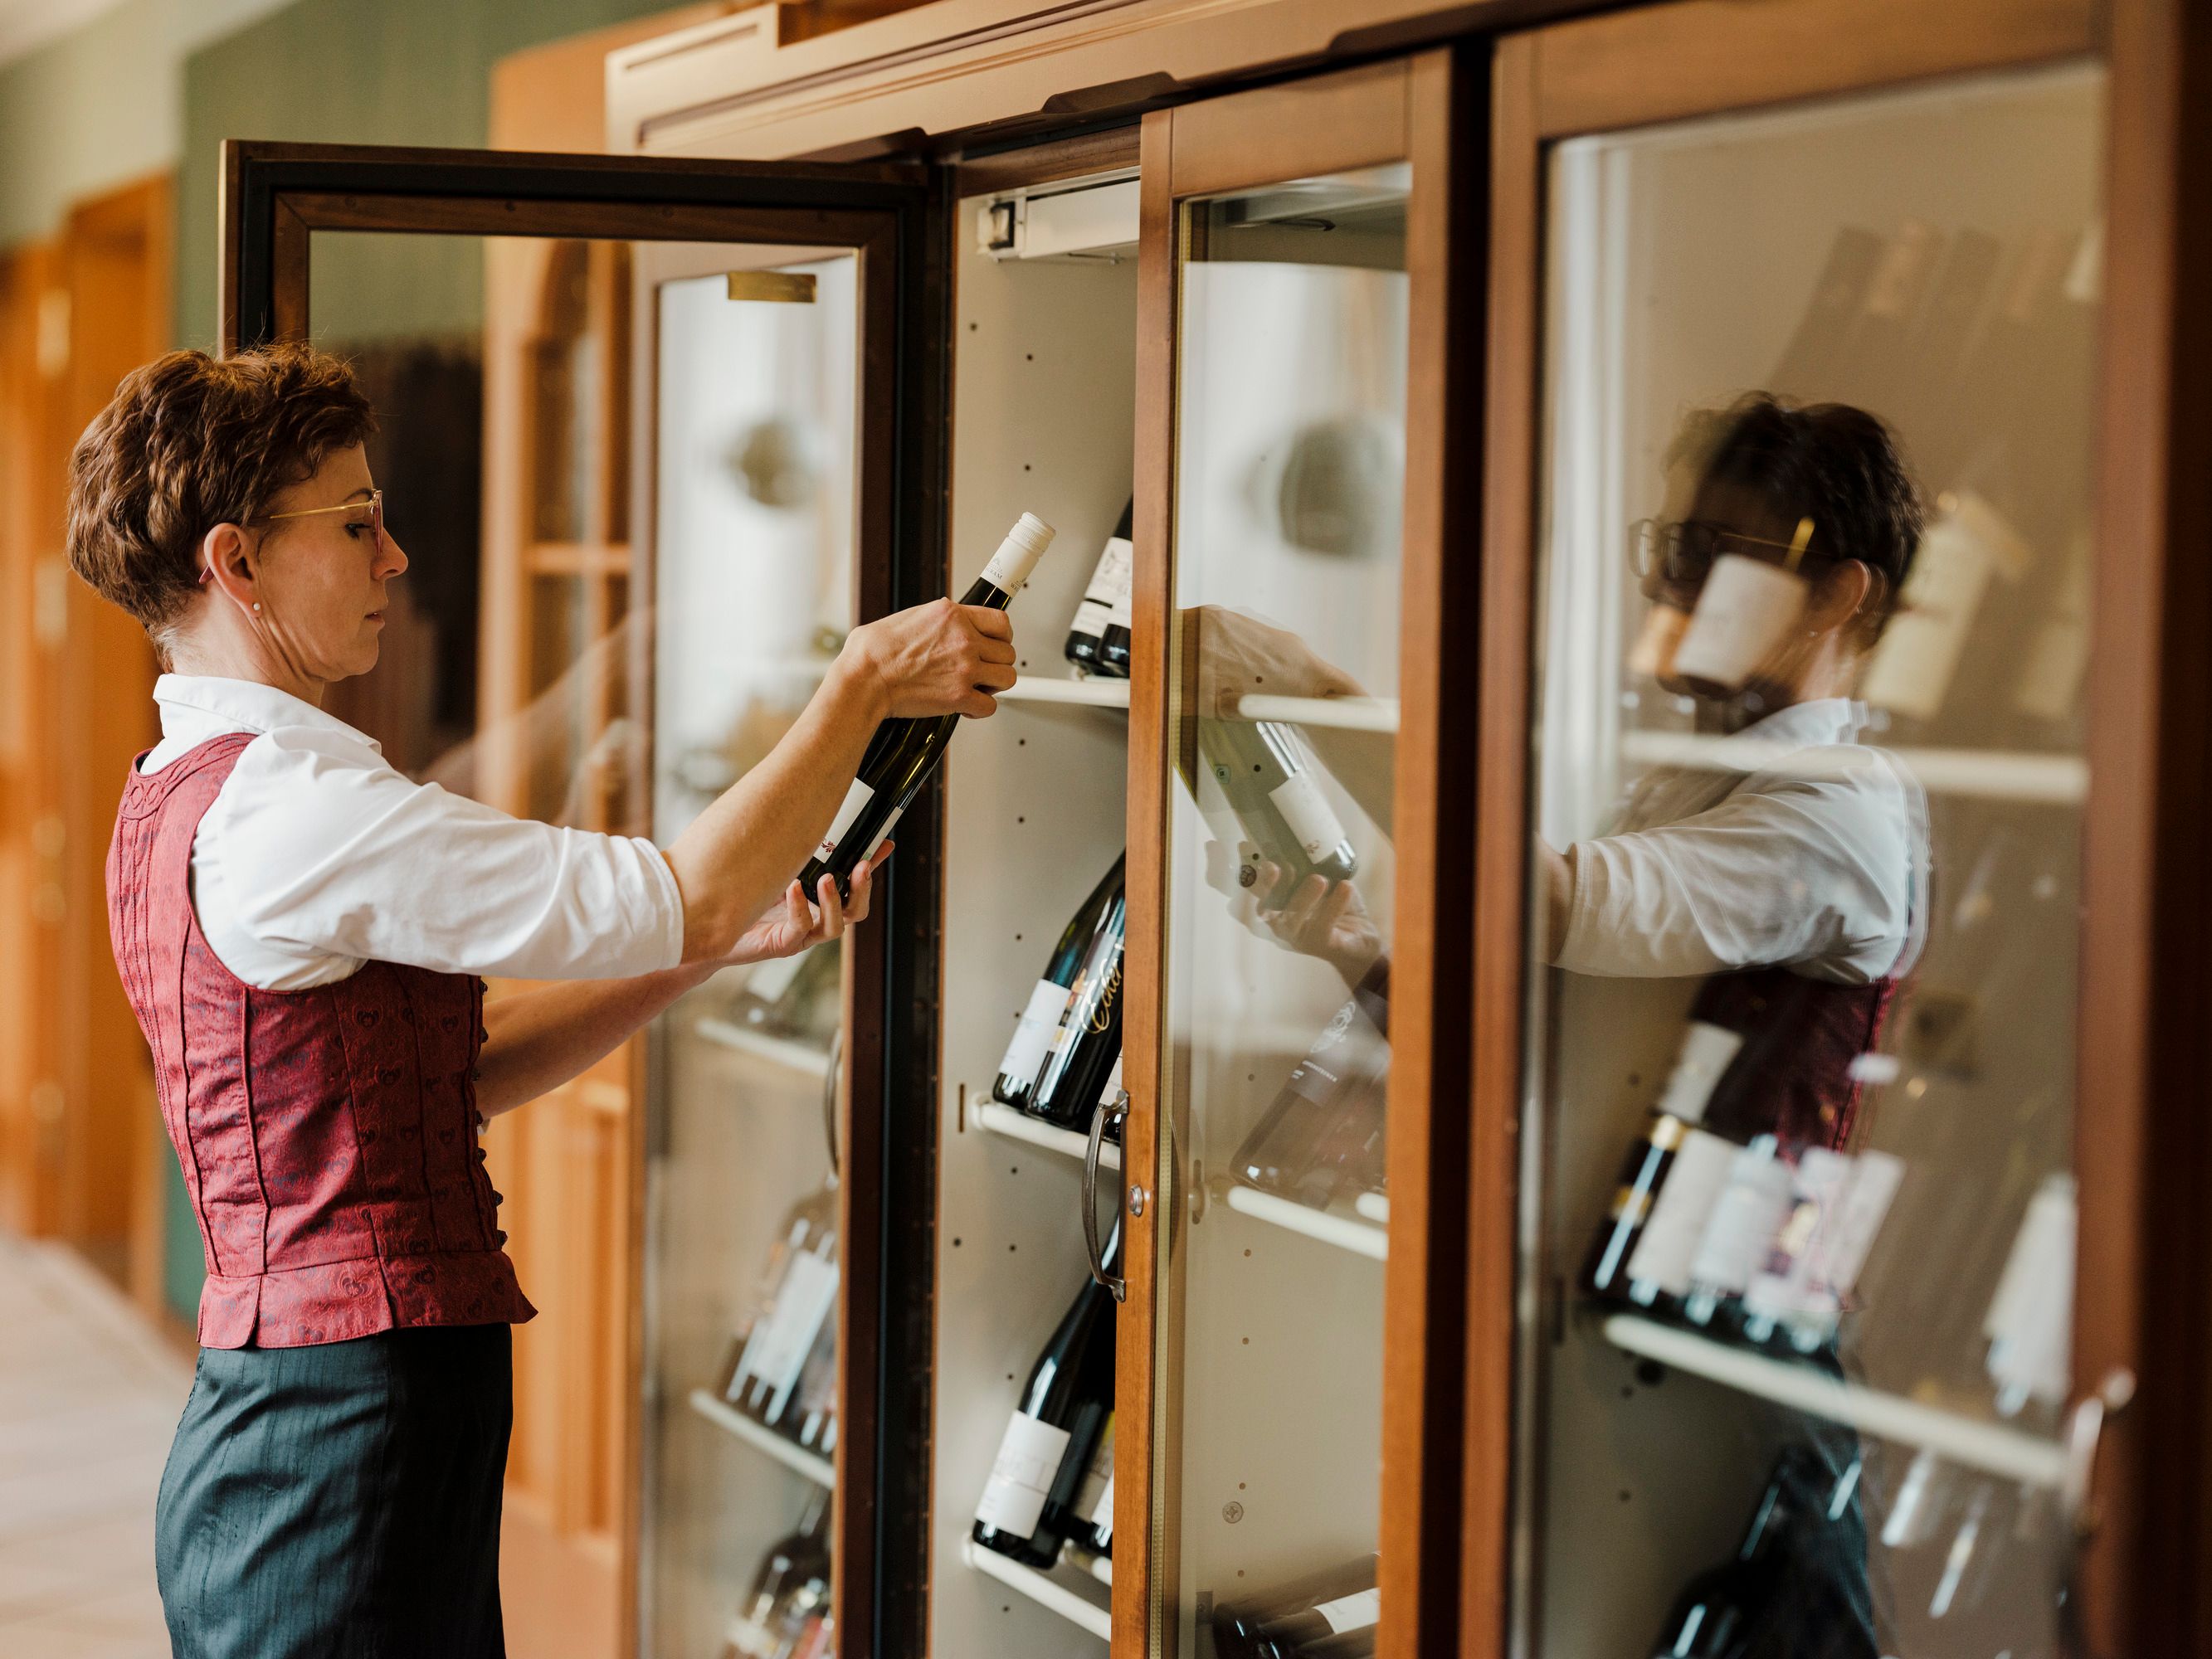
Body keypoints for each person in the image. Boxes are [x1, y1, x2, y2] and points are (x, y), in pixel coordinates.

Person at [66, 343, 1015, 1659]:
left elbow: (455, 1068)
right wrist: (858, 685)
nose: (395, 558)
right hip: (339, 1431)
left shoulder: (187, 788)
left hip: (335, 1412)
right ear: (237, 563)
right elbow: (683, 888)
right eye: (357, 523)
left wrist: (699, 954)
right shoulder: (296, 809)